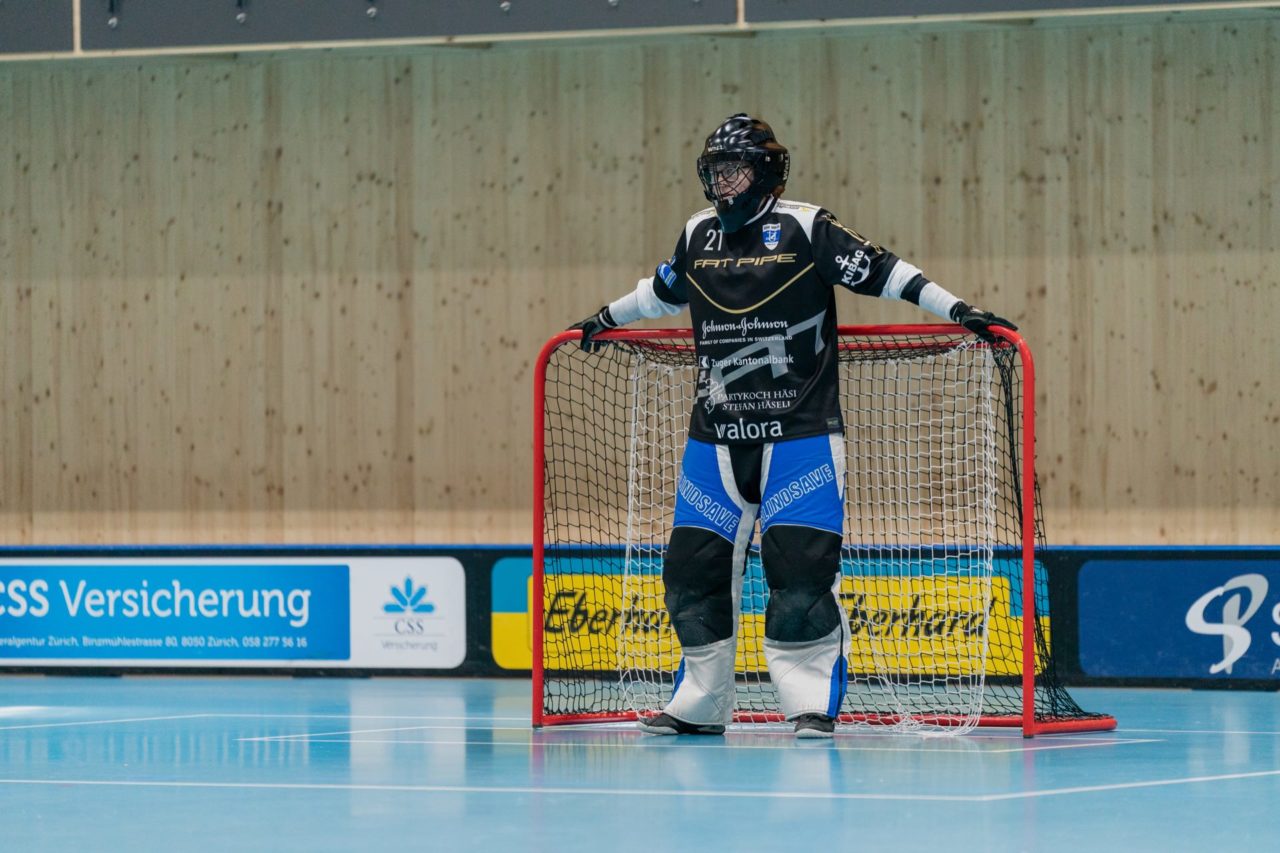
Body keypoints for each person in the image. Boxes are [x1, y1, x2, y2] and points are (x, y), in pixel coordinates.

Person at [569, 113, 1015, 738]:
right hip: (714, 443)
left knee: (799, 576)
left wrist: (959, 309)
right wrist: (600, 319)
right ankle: (699, 705)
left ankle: (808, 705)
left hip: (800, 439)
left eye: (736, 171)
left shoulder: (807, 227)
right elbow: (661, 291)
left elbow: (887, 271)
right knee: (691, 575)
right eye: (716, 173)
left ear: (768, 172)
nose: (725, 186)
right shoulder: (697, 233)